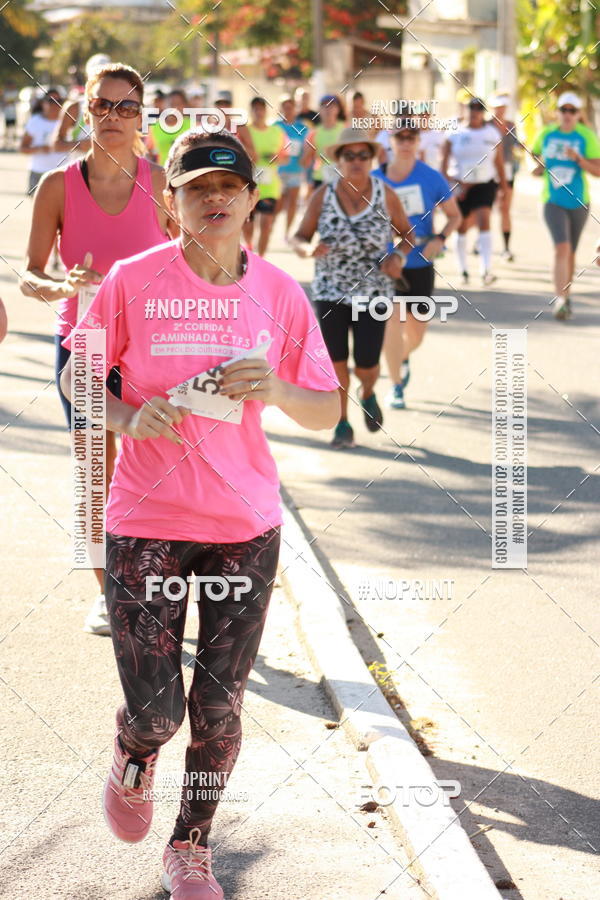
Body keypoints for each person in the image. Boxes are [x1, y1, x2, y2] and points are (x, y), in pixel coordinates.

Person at [59, 128, 339, 899]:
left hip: (242, 528)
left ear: (252, 198)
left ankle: (190, 846)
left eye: (230, 187)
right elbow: (77, 377)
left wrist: (280, 390)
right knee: (157, 711)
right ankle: (135, 749)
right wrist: (125, 419)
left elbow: (326, 407)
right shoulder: (132, 279)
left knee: (218, 708)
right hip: (146, 521)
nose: (214, 199)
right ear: (169, 201)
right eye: (196, 188)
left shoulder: (279, 294)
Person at [20, 63, 173, 635]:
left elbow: (190, 262)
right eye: (103, 106)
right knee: (93, 470)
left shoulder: (160, 184)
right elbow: (30, 273)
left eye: (127, 107)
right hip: (83, 343)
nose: (114, 117)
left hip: (152, 347)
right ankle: (108, 594)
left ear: (142, 115)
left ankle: (156, 581)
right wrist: (57, 285)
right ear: (87, 109)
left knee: (152, 466)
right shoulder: (58, 185)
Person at [293, 127, 412, 448]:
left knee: (367, 365)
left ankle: (369, 391)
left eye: (364, 156)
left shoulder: (385, 194)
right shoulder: (323, 195)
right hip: (330, 290)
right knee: (335, 362)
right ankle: (343, 422)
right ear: (339, 160)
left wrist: (398, 256)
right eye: (350, 156)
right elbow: (298, 235)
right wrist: (306, 250)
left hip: (374, 292)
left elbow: (409, 234)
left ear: (372, 160)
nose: (357, 161)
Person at [374, 119, 461, 409]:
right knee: (391, 324)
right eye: (400, 137)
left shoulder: (432, 177)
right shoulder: (375, 179)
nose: (406, 142)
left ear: (418, 141)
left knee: (416, 331)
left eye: (412, 137)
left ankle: (403, 357)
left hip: (421, 261)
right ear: (391, 141)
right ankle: (396, 385)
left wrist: (440, 238)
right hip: (386, 264)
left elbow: (454, 216)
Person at [531, 91, 600, 320]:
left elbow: (598, 170)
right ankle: (559, 299)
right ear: (558, 112)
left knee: (570, 251)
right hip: (552, 200)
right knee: (561, 247)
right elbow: (536, 157)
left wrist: (579, 159)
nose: (568, 114)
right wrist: (539, 168)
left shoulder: (586, 136)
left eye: (572, 110)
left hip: (579, 200)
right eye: (564, 110)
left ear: (578, 114)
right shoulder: (547, 134)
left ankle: (566, 295)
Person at [441, 97, 507, 285]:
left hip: (483, 184)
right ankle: (463, 269)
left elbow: (499, 162)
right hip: (459, 185)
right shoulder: (454, 132)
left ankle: (486, 269)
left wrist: (504, 188)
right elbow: (443, 164)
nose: (475, 112)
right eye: (472, 107)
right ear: (466, 109)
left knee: (484, 220)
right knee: (460, 226)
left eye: (479, 108)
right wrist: (450, 185)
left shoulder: (492, 133)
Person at [243, 96, 287, 255]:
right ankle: (249, 245)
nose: (258, 112)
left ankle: (260, 258)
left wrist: (276, 158)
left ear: (266, 111)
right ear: (251, 111)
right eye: (255, 109)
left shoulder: (277, 132)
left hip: (269, 185)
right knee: (247, 225)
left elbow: (286, 156)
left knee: (266, 225)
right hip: (248, 184)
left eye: (261, 108)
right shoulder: (244, 131)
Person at [52, 54, 111, 160]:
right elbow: (56, 145)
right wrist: (80, 145)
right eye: (97, 76)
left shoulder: (121, 107)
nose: (101, 81)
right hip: (80, 174)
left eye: (106, 76)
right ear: (88, 77)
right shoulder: (75, 108)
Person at [488, 93, 520, 261]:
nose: (500, 110)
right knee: (484, 209)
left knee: (505, 208)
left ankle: (506, 248)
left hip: (507, 171)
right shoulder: (485, 125)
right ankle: (480, 243)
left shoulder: (511, 126)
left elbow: (516, 146)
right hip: (488, 172)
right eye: (497, 107)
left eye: (503, 107)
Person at [276, 94, 309, 241]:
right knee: (278, 203)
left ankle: (287, 232)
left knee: (293, 202)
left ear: (295, 109)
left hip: (295, 170)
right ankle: (270, 226)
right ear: (281, 109)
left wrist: (305, 159)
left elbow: (308, 147)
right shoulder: (275, 127)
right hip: (278, 171)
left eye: (291, 107)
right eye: (285, 107)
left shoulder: (302, 128)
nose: (288, 110)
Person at [20, 88, 65, 194]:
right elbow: (22, 148)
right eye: (51, 101)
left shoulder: (69, 121)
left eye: (59, 101)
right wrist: (40, 149)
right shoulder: (35, 121)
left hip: (63, 173)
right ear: (43, 103)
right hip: (39, 172)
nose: (55, 104)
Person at [301, 95, 346, 190]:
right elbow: (305, 162)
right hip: (320, 179)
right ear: (319, 110)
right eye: (324, 106)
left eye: (331, 106)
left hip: (342, 178)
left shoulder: (345, 129)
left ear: (338, 109)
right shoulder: (313, 133)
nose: (328, 109)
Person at [146, 88, 190, 165]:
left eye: (179, 104)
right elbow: (149, 152)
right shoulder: (155, 126)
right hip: (163, 173)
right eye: (171, 104)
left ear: (185, 106)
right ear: (165, 105)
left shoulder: (192, 124)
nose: (175, 107)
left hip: (187, 173)